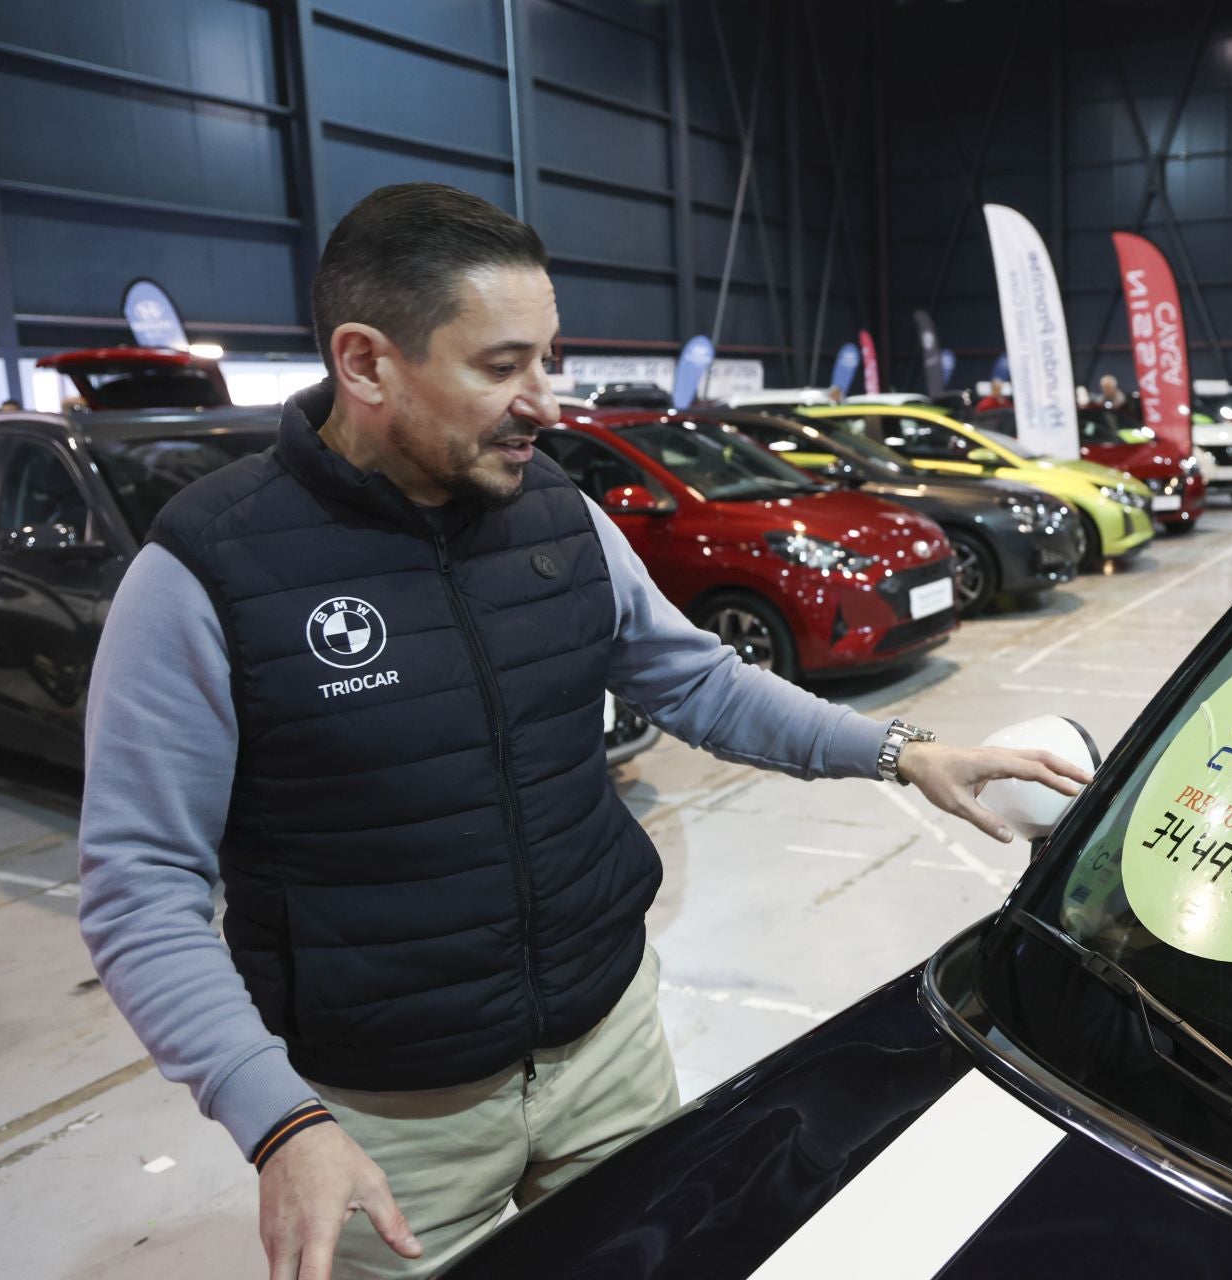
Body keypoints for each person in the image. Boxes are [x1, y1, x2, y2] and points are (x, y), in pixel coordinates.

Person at [76, 183, 1091, 1280]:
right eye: (502, 365)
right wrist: (278, 1119)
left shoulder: (559, 516)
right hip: (388, 1122)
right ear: (366, 363)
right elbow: (139, 886)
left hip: (610, 1052)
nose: (546, 402)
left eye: (548, 360)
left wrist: (903, 749)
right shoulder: (205, 573)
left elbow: (700, 683)